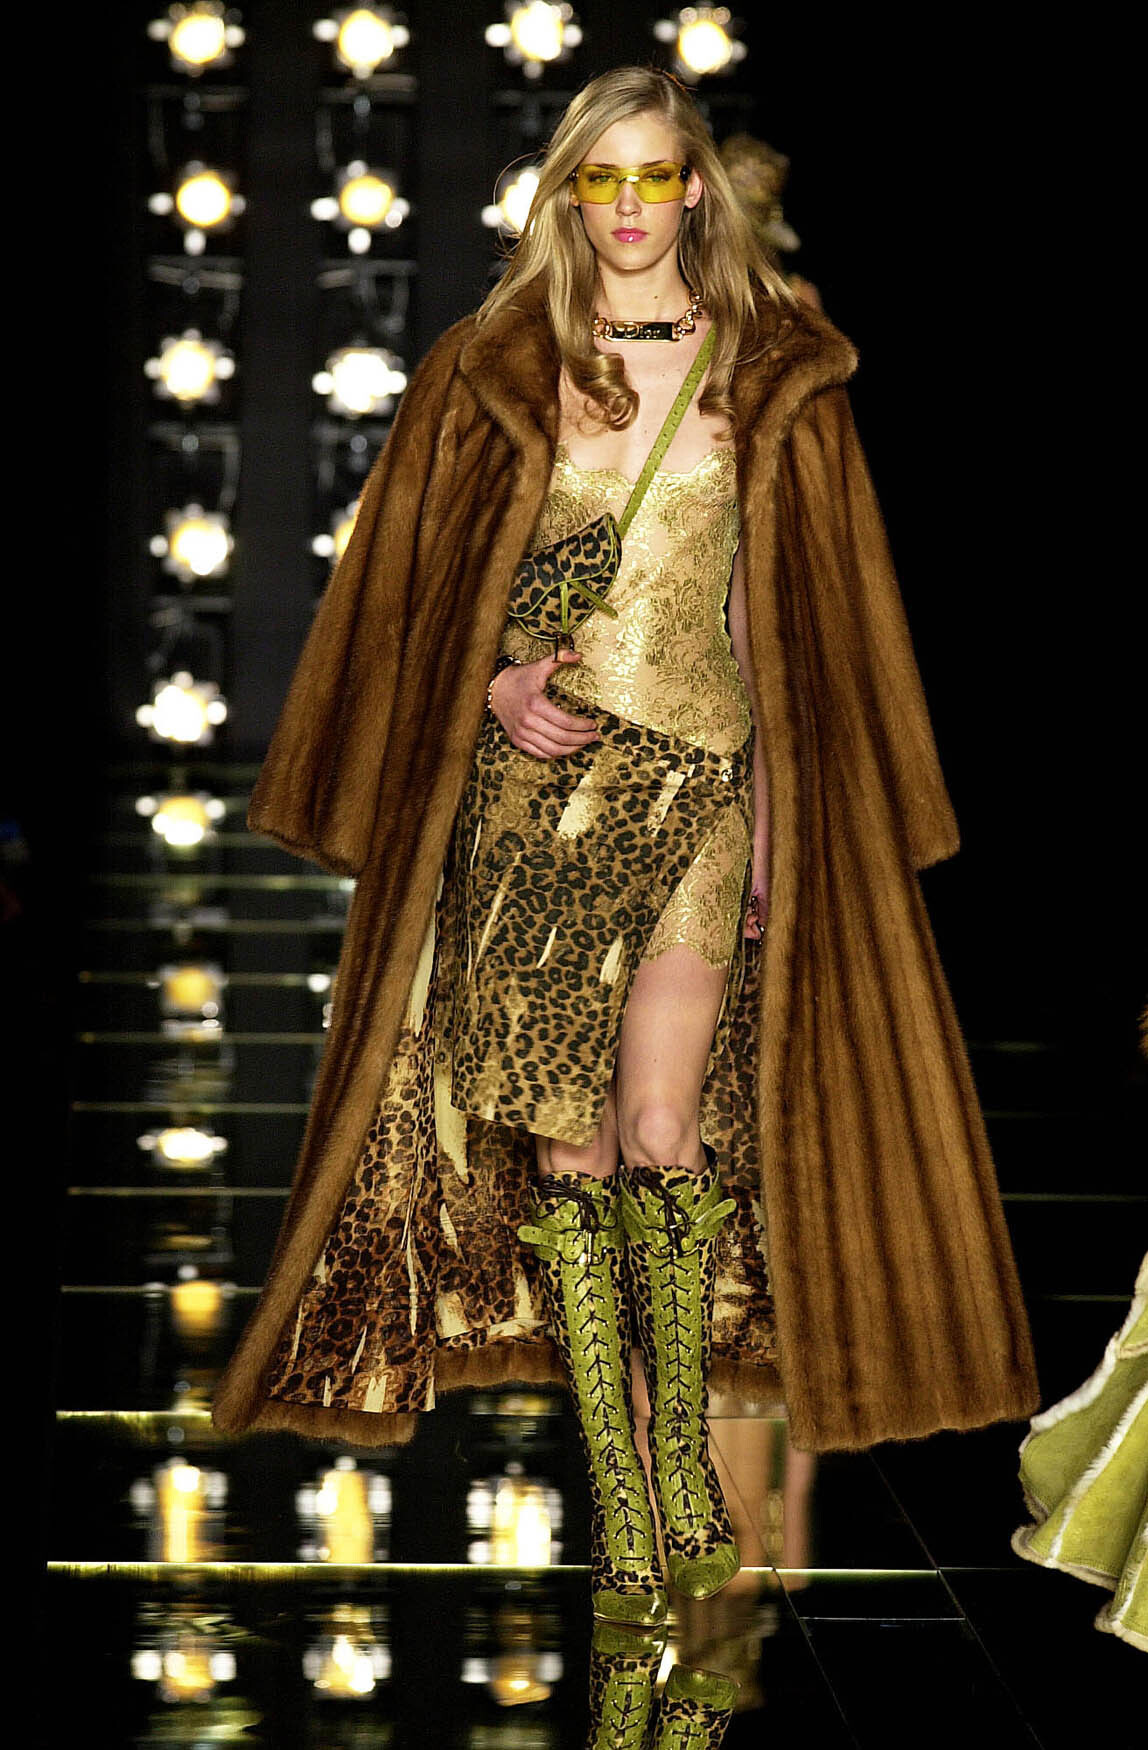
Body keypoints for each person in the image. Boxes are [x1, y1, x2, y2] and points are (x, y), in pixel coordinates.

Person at [213, 66, 1039, 1627]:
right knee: (574, 1150)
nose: (635, 206)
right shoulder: (495, 364)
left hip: (700, 788)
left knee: (665, 1126)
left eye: (659, 176)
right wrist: (490, 685)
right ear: (571, 195)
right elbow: (413, 593)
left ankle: (678, 1470)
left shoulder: (767, 372)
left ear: (694, 191)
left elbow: (792, 622)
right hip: (535, 811)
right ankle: (624, 1470)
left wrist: (785, 819)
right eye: (606, 179)